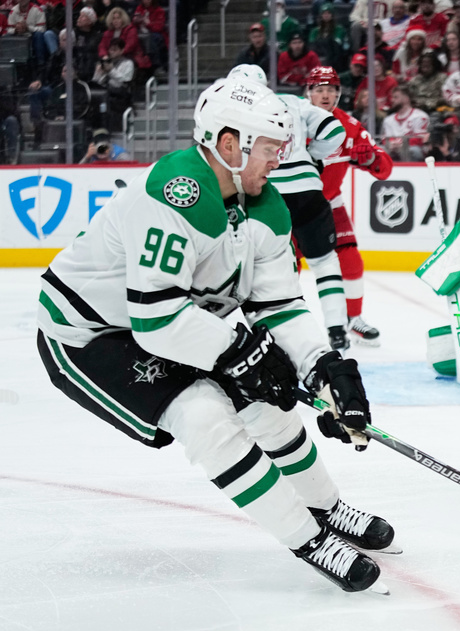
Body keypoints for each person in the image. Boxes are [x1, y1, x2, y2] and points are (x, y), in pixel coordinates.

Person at [36, 76, 395, 594]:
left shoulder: (265, 205)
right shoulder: (177, 190)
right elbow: (156, 318)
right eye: (270, 147)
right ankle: (307, 537)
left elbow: (277, 305)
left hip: (171, 322)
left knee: (267, 406)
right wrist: (240, 352)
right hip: (88, 335)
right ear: (230, 144)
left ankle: (327, 507)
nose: (280, 159)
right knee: (205, 415)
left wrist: (323, 367)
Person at [228, 65, 353, 351]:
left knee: (266, 264)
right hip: (308, 191)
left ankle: (269, 331)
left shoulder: (234, 109)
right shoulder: (292, 101)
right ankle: (337, 330)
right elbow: (335, 130)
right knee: (324, 261)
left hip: (265, 193)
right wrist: (313, 157)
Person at [307, 66, 394, 345]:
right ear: (308, 93)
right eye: (319, 89)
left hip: (330, 204)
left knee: (351, 261)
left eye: (331, 89)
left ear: (339, 94)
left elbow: (384, 168)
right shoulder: (293, 121)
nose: (325, 95)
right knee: (282, 267)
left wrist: (369, 159)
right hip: (290, 205)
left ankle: (354, 319)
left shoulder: (350, 126)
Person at [381, 83, 430, 161]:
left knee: (414, 150)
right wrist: (391, 144)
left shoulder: (420, 116)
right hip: (393, 149)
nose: (392, 100)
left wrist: (402, 145)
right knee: (380, 150)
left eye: (396, 97)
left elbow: (420, 139)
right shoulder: (388, 120)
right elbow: (385, 139)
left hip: (412, 149)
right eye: (392, 97)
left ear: (406, 99)